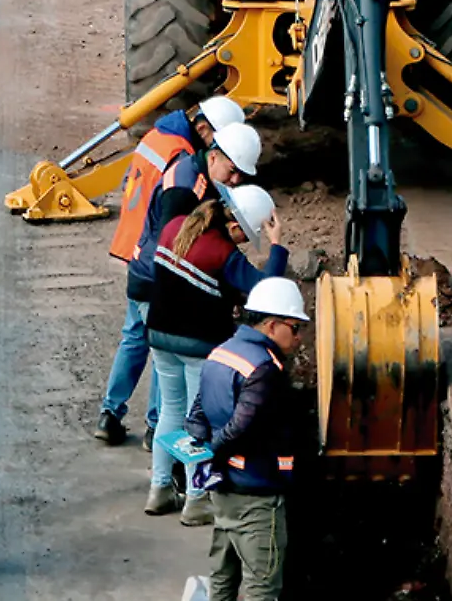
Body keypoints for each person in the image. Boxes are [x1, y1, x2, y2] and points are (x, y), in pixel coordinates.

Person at [95, 96, 248, 447]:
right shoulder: (182, 158)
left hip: (138, 250)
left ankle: (110, 413)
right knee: (165, 343)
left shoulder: (156, 137)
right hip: (159, 259)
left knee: (135, 336)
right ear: (204, 128)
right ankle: (155, 427)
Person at [143, 185, 288, 524]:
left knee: (170, 410)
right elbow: (266, 290)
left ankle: (160, 488)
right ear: (236, 225)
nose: (241, 244)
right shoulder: (223, 252)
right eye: (244, 237)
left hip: (160, 336)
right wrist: (277, 245)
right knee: (199, 422)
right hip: (196, 344)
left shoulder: (174, 226)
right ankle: (195, 499)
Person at [187, 277, 309, 601]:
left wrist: (204, 455)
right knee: (262, 586)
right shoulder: (264, 368)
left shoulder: (221, 353)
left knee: (223, 580)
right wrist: (215, 451)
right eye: (295, 328)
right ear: (271, 326)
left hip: (223, 493)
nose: (299, 338)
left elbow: (196, 415)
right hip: (257, 497)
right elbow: (242, 426)